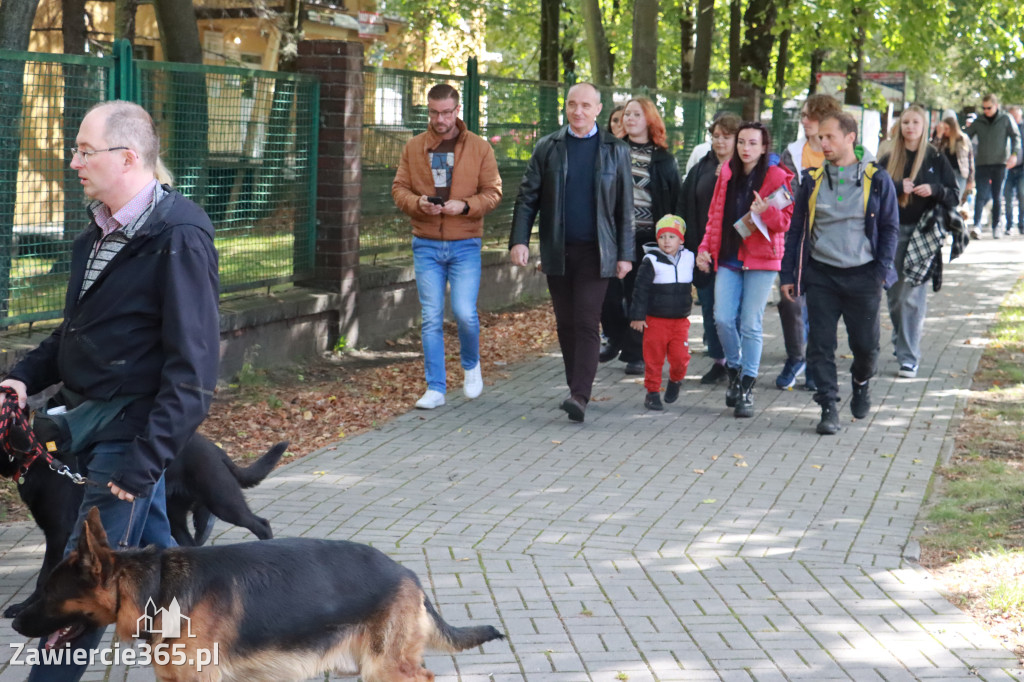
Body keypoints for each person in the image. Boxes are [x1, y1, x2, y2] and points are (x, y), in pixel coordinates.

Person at [0, 100, 220, 680]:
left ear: (126, 157)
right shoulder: (98, 233)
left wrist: (142, 465)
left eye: (83, 150)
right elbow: (75, 332)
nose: (73, 161)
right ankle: (199, 661)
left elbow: (194, 371)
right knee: (166, 570)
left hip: (132, 437)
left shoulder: (178, 234)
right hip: (90, 420)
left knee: (84, 586)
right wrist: (23, 376)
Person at [509, 82, 634, 423]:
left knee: (585, 320)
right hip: (558, 250)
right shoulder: (547, 147)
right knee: (565, 324)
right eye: (571, 105)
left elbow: (625, 206)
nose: (577, 111)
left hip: (598, 251)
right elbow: (527, 198)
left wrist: (626, 254)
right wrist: (519, 240)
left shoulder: (615, 150)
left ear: (598, 109)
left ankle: (580, 394)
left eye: (585, 105)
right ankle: (575, 387)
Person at [780, 111, 900, 435]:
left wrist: (880, 273)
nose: (823, 142)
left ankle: (861, 381)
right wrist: (788, 274)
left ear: (851, 137)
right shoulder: (811, 179)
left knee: (866, 346)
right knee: (820, 344)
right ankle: (828, 406)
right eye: (820, 137)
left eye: (830, 136)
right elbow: (796, 231)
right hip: (822, 275)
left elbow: (890, 229)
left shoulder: (877, 179)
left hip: (864, 276)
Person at [391, 84, 503, 410]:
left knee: (465, 313)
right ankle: (435, 388)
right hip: (426, 242)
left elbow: (493, 192)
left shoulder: (480, 148)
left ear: (457, 111)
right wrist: (418, 203)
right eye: (433, 112)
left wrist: (464, 206)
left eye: (445, 112)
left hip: (465, 242)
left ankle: (471, 364)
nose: (439, 119)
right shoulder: (414, 148)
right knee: (430, 317)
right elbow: (399, 189)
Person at [696, 122, 793, 418]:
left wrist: (768, 211)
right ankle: (735, 369)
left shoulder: (777, 176)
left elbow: (785, 222)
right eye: (741, 142)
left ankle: (747, 386)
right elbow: (714, 216)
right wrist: (704, 248)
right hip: (728, 255)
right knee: (723, 318)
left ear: (764, 147)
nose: (745, 148)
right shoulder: (726, 172)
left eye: (752, 143)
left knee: (750, 322)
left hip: (762, 258)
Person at [599, 97, 682, 375]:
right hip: (612, 236)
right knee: (607, 293)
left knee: (639, 296)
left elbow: (674, 200)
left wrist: (671, 239)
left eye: (636, 114)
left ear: (649, 119)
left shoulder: (663, 158)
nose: (629, 119)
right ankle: (615, 336)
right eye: (626, 114)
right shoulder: (609, 151)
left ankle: (636, 352)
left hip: (646, 236)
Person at [879, 105, 960, 379]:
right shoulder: (889, 156)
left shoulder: (935, 157)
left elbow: (954, 194)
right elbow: (871, 191)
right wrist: (893, 185)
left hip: (923, 235)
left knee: (911, 297)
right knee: (894, 296)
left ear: (924, 126)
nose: (909, 127)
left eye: (915, 122)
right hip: (891, 233)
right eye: (905, 123)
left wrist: (934, 189)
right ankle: (902, 342)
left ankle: (909, 357)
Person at [774, 94, 843, 392]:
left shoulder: (843, 153)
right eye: (803, 116)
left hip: (829, 239)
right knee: (790, 302)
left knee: (820, 306)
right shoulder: (792, 152)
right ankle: (795, 356)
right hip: (795, 236)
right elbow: (785, 192)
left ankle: (815, 366)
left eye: (809, 117)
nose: (804, 121)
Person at [678, 112, 742, 385]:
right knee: (708, 308)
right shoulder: (701, 168)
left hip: (734, 253)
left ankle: (738, 362)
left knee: (729, 312)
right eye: (715, 136)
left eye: (726, 137)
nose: (719, 142)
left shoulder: (746, 170)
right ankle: (719, 361)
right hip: (703, 251)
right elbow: (685, 204)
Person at [629, 214, 695, 411]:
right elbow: (640, 289)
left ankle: (675, 381)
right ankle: (652, 393)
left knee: (680, 358)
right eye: (662, 236)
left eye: (672, 236)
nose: (667, 241)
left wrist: (705, 268)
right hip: (655, 320)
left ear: (681, 239)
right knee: (654, 358)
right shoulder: (651, 260)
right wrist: (637, 316)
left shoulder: (689, 257)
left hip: (680, 321)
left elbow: (701, 278)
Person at [964, 94, 1020, 239]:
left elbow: (1016, 137)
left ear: (996, 106)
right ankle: (977, 226)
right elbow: (966, 136)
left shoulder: (1006, 118)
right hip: (982, 163)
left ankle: (996, 226)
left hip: (1000, 163)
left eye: (989, 108)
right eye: (983, 108)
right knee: (980, 195)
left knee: (997, 196)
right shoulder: (979, 121)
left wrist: (1014, 154)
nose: (986, 110)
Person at [934, 113, 974, 203]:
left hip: (960, 174)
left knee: (955, 201)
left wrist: (971, 180)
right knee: (943, 201)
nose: (945, 131)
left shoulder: (963, 139)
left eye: (947, 129)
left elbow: (970, 160)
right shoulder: (942, 140)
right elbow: (932, 153)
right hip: (944, 174)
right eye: (943, 129)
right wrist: (939, 135)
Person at [1003, 106, 1024, 236]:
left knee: (1022, 196)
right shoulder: (1004, 129)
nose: (1013, 119)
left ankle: (1022, 224)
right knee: (1007, 197)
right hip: (1007, 169)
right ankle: (1009, 225)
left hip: (1022, 169)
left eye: (1015, 116)